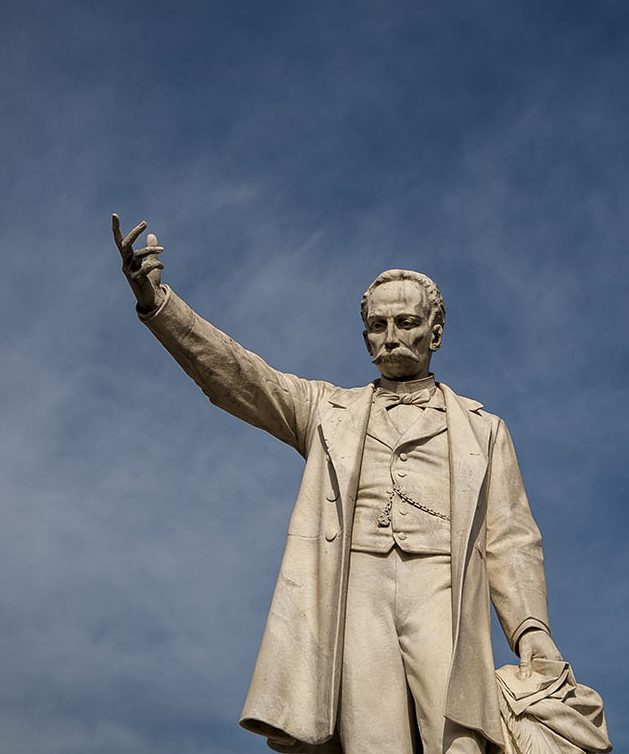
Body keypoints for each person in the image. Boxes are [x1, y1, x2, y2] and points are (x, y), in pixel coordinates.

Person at [113, 215, 563, 754]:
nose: (391, 336)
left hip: (441, 589)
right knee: (373, 743)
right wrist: (158, 304)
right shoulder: (328, 410)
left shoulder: (482, 429)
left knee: (462, 740)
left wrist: (530, 630)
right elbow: (237, 376)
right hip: (358, 588)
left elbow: (512, 539)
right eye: (378, 325)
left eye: (405, 322)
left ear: (435, 333)